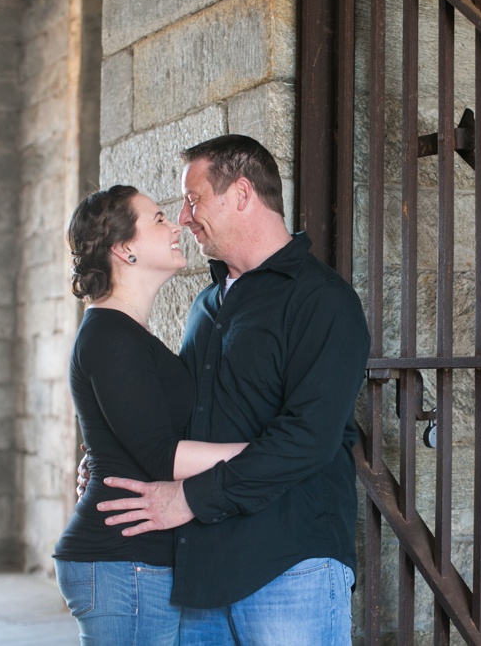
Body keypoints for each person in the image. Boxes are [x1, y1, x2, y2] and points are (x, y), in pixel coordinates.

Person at [95, 135, 371, 645]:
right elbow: (179, 418)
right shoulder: (206, 305)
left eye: (194, 199)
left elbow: (309, 438)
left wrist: (188, 501)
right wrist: (111, 460)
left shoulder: (323, 300)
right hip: (203, 574)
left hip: (291, 567)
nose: (183, 216)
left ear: (241, 193)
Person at [56, 185, 249, 645]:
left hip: (136, 561)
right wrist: (268, 452)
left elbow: (136, 434)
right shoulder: (109, 335)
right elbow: (160, 454)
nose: (177, 224)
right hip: (122, 558)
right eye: (159, 219)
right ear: (124, 249)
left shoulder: (127, 333)